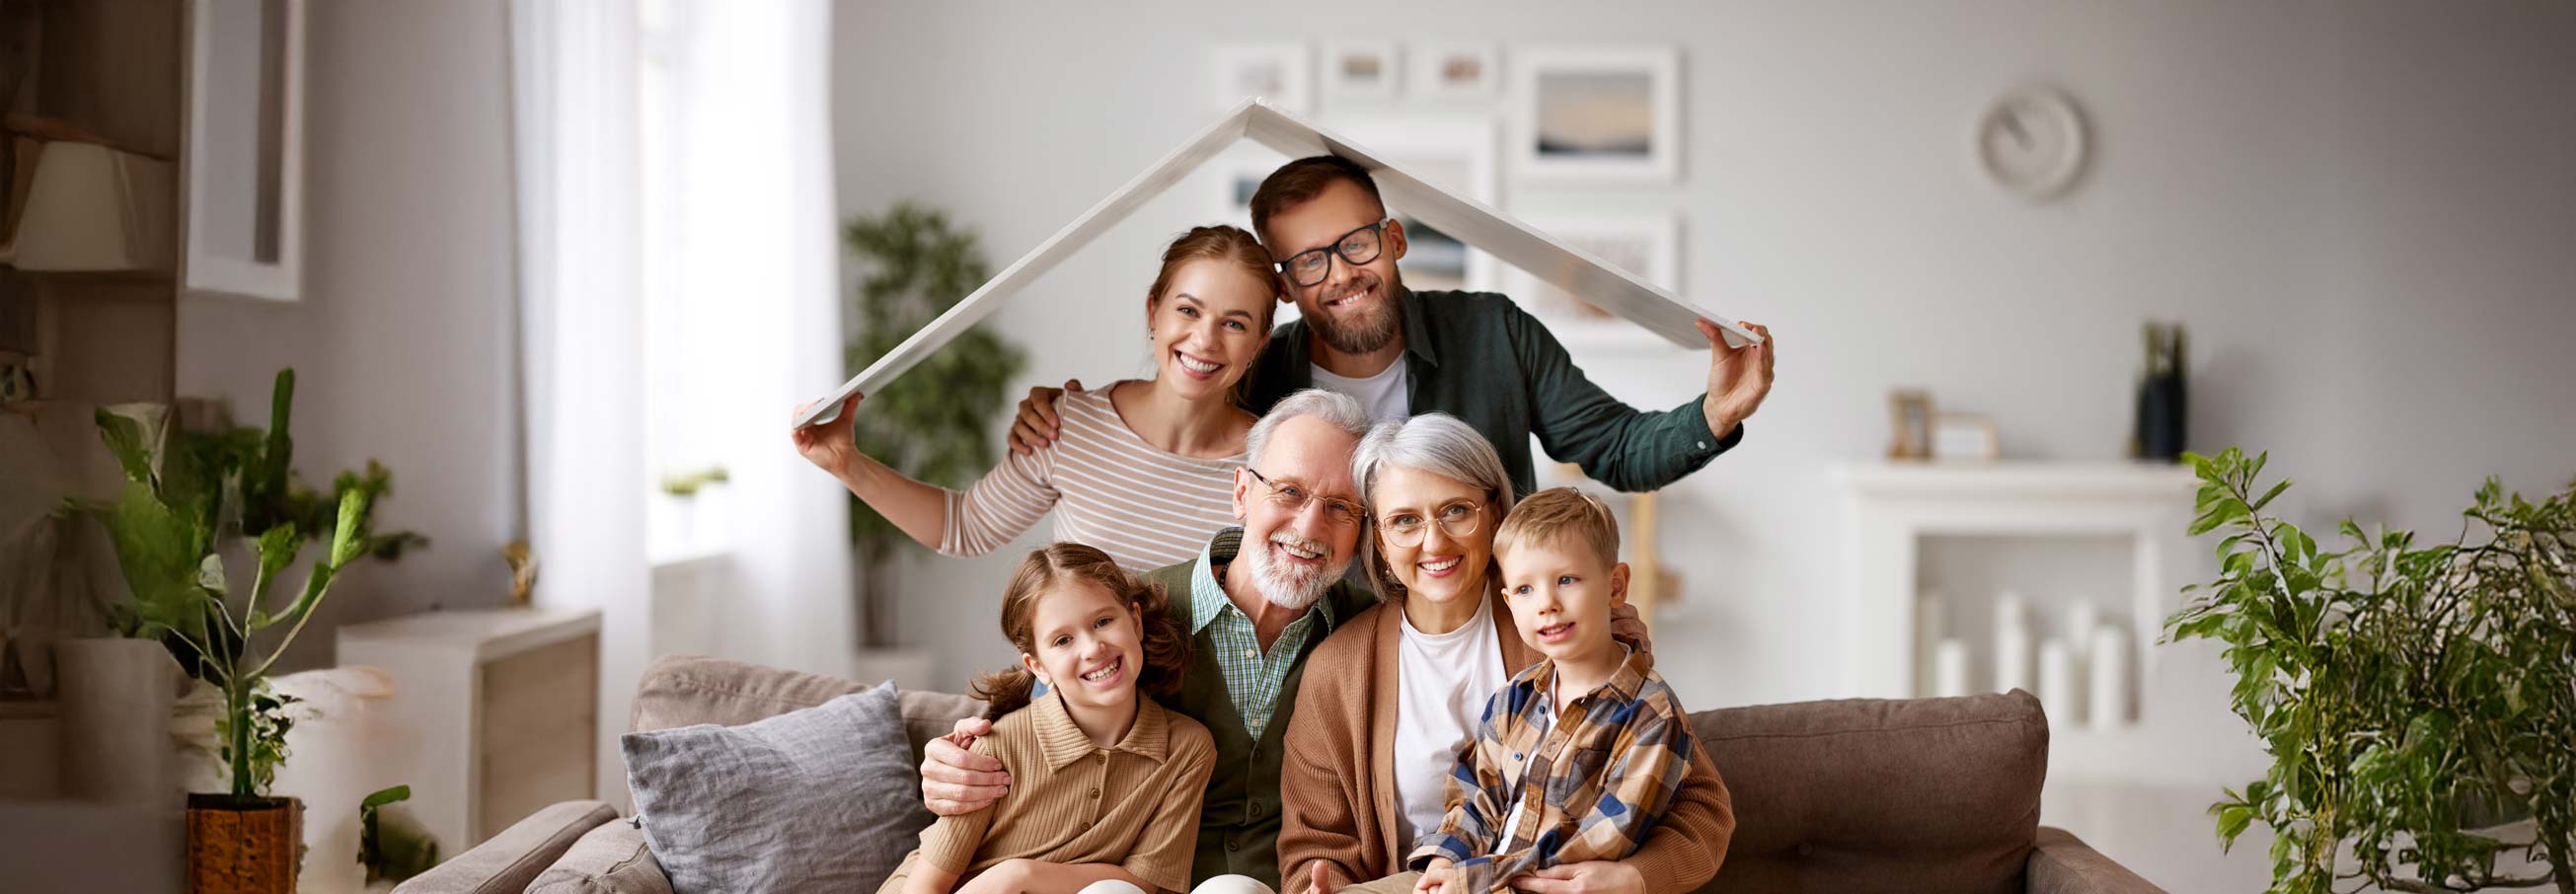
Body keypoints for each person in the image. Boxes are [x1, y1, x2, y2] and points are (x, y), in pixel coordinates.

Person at [1007, 155, 1778, 499]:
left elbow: (1616, 448)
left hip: (1483, 629)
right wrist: (1066, 418)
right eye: (1311, 261)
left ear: (1395, 239)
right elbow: (1168, 431)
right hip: (1323, 658)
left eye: (1357, 244)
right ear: (1285, 286)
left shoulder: (1494, 332)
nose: (1342, 273)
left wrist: (1714, 414)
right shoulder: (1259, 373)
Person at [920, 390, 1383, 892]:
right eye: (1289, 491)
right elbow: (1037, 717)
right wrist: (956, 760)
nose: (1310, 526)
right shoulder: (1126, 620)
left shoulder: (1369, 634)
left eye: (1341, 507)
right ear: (1241, 493)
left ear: (1363, 528)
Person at [1278, 417, 1730, 894]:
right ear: (1380, 542)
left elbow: (1702, 808)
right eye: (1405, 521)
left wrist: (1633, 877)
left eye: (1456, 510)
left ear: (1494, 514)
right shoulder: (1339, 670)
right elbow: (1316, 848)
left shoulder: (1562, 631)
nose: (1434, 542)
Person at [795, 226, 1278, 573]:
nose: (1205, 339)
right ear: (1154, 312)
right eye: (1188, 310)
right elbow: (965, 527)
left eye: (1234, 323)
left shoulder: (1272, 465)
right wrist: (846, 463)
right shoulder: (1070, 425)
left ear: (1259, 342)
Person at [879, 543, 1260, 894]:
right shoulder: (997, 748)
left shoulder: (1187, 748)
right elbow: (924, 887)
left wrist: (1019, 874)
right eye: (1063, 640)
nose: (1093, 648)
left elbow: (1144, 882)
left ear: (1135, 622)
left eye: (1103, 621)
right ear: (1038, 667)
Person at [1400, 487, 1699, 894]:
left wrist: (1474, 880)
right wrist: (1446, 860)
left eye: (1566, 580)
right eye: (1525, 589)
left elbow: (1599, 842)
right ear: (1509, 602)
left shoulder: (1651, 716)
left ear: (1615, 587)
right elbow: (1476, 796)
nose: (1547, 604)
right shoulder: (1514, 698)